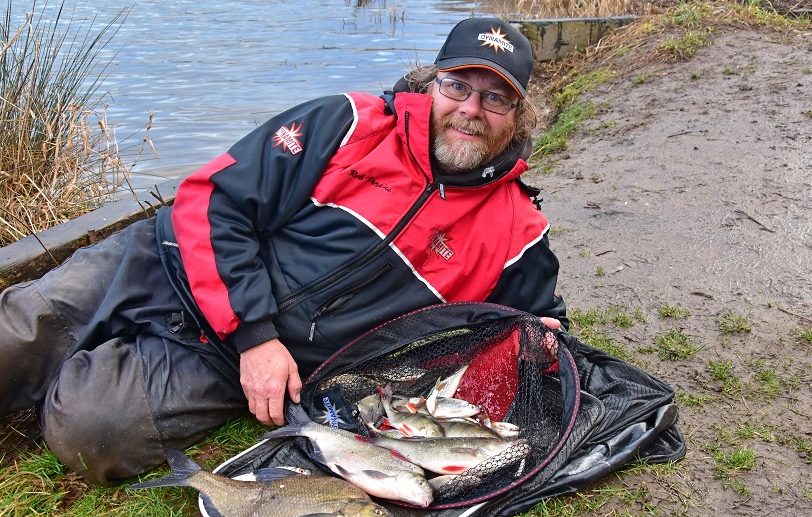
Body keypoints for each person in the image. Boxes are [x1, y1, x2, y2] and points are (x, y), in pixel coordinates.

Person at [0, 17, 567, 485]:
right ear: (431, 83)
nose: (471, 109)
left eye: (496, 98)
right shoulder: (347, 122)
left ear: (519, 114)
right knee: (18, 334)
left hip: (223, 364)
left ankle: (76, 377)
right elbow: (213, 198)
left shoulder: (518, 229)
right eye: (458, 86)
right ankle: (66, 350)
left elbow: (537, 323)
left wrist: (544, 341)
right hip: (163, 264)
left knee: (91, 435)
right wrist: (256, 335)